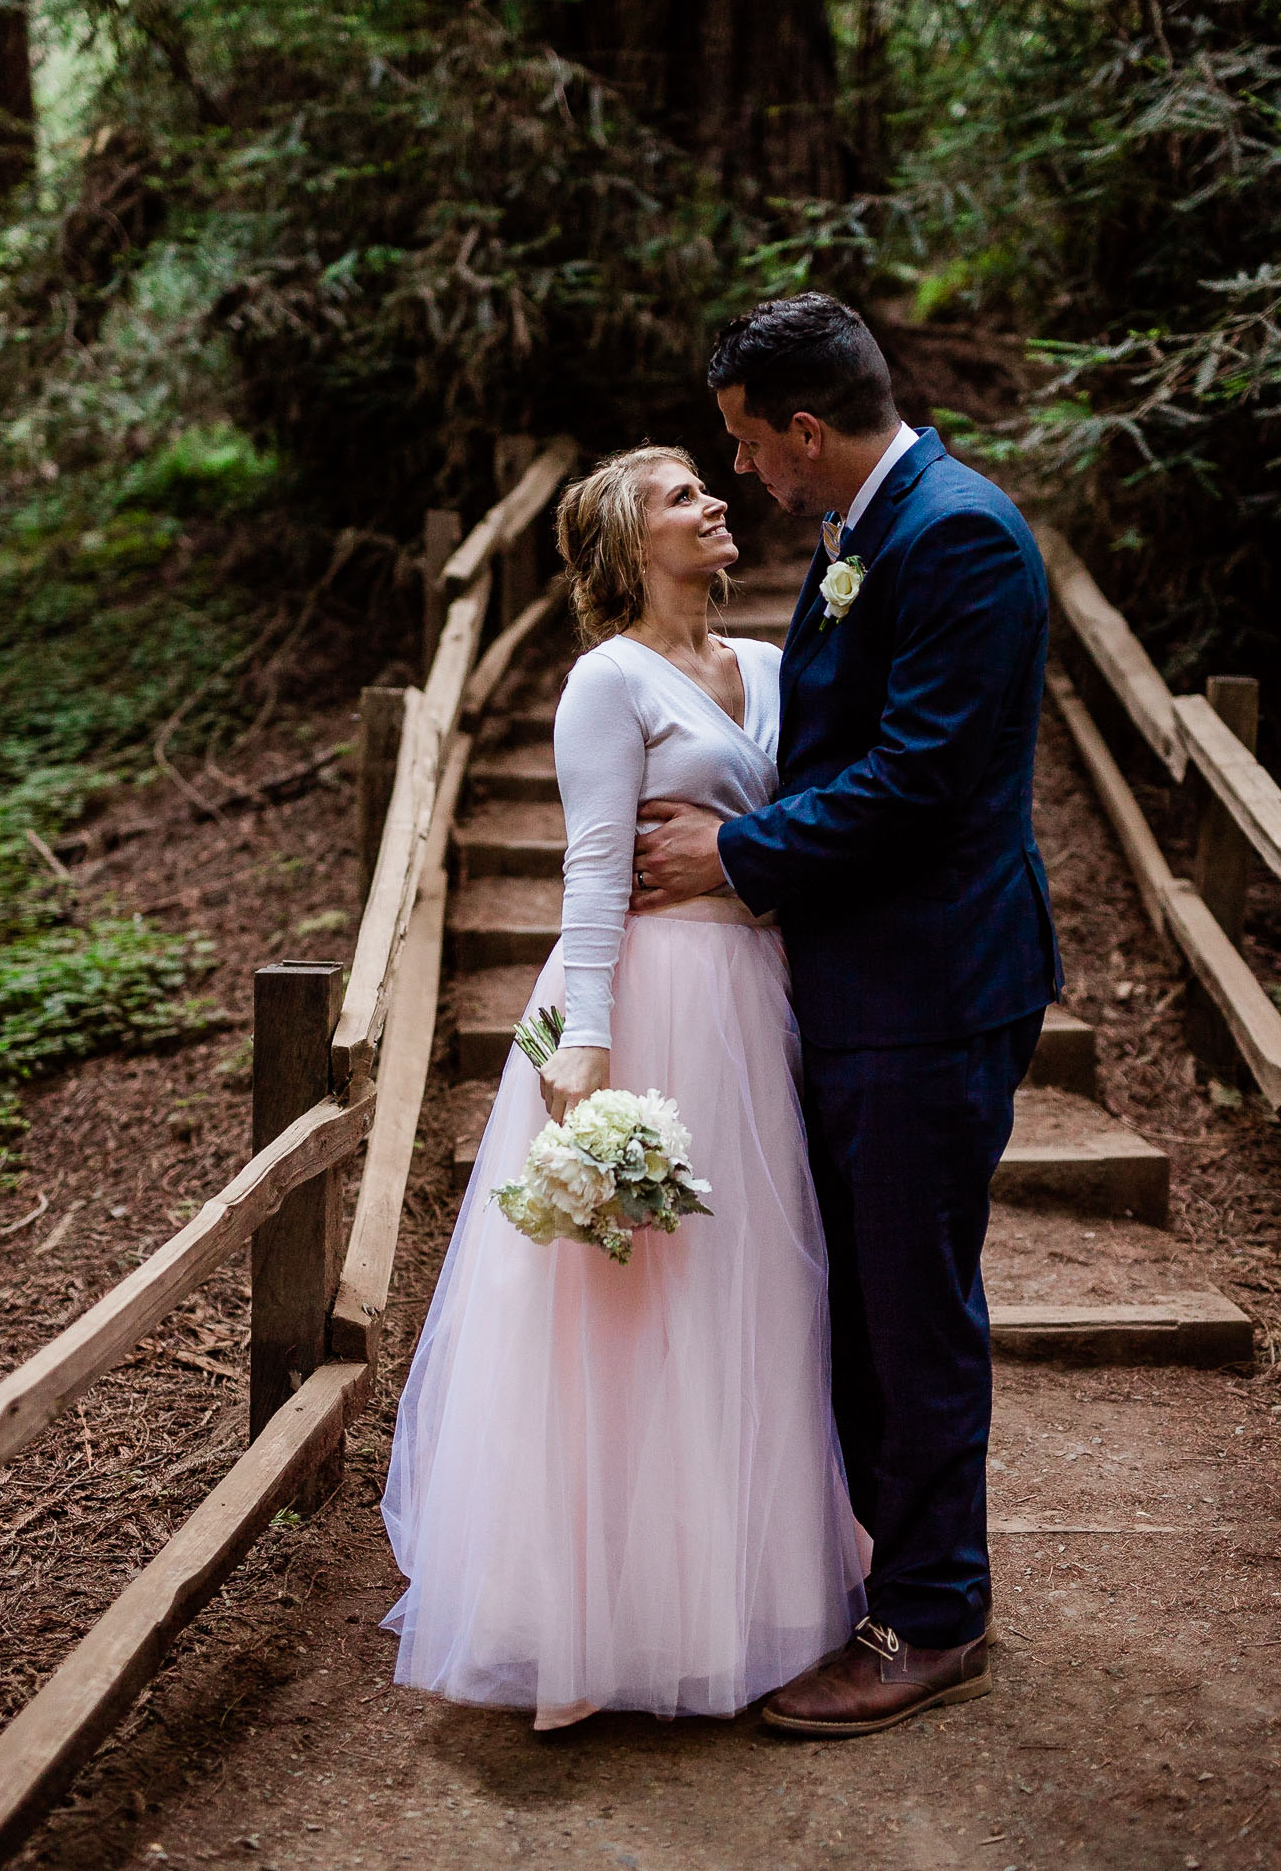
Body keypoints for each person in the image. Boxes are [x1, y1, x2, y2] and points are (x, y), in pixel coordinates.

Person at [379, 444, 864, 1731]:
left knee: (755, 1283)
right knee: (624, 1302)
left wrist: (747, 878)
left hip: (755, 1001)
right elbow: (593, 871)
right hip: (645, 1005)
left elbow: (796, 833)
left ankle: (739, 1593)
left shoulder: (769, 665)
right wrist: (580, 1049)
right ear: (622, 542)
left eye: (711, 484)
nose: (713, 504)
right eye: (679, 496)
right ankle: (591, 1613)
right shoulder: (605, 679)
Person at [632, 292, 1062, 1736]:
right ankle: (885, 1568)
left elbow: (924, 781)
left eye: (748, 444)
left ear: (804, 431)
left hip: (932, 992)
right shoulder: (864, 530)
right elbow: (825, 729)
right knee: (863, 1308)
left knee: (907, 1310)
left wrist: (733, 856)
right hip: (862, 982)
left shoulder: (958, 539)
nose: (742, 472)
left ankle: (933, 1617)